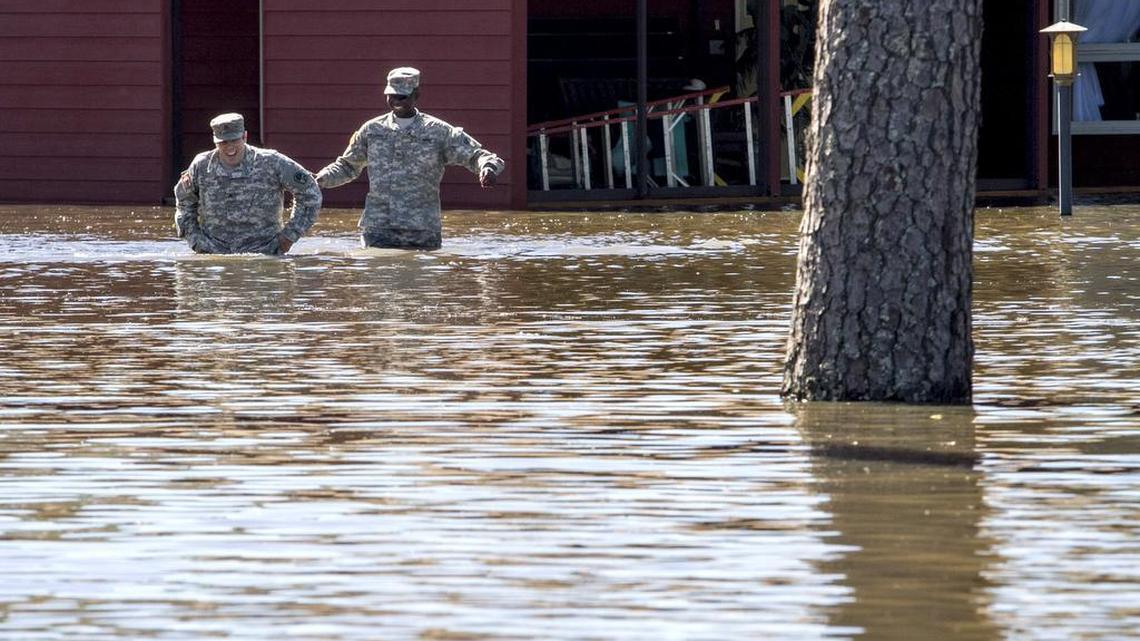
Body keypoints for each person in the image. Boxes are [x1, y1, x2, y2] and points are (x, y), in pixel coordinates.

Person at [315, 67, 505, 250]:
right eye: (392, 96)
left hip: (422, 230)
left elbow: (478, 156)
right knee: (375, 279)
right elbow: (347, 166)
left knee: (420, 281)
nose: (396, 100)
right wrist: (320, 179)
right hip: (378, 229)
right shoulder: (372, 130)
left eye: (402, 96)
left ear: (416, 94)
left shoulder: (438, 131)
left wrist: (487, 168)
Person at [174, 113, 322, 255]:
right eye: (223, 142)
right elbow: (184, 203)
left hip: (266, 254)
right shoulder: (201, 165)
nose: (229, 147)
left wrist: (289, 236)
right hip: (213, 255)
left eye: (234, 140)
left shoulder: (272, 162)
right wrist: (195, 241)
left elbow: (310, 192)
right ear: (215, 141)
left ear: (245, 136)